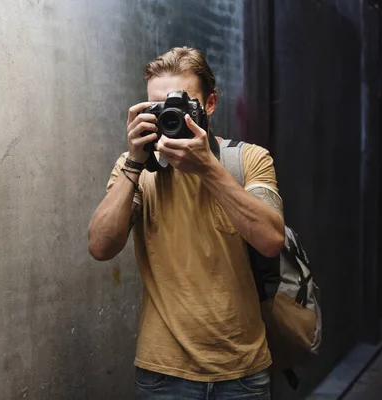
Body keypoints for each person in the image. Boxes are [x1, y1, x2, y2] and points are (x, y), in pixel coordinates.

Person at [87, 46, 285, 400]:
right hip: (163, 372)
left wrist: (207, 168)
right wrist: (134, 161)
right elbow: (100, 247)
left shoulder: (249, 159)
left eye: (181, 105)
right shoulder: (135, 170)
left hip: (243, 372)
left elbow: (271, 240)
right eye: (159, 108)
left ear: (209, 104)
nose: (170, 116)